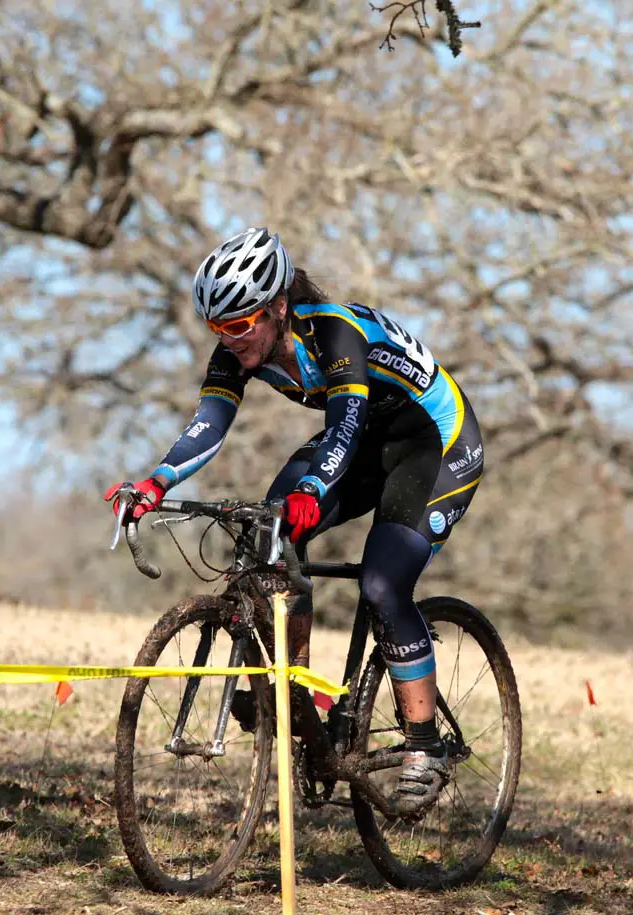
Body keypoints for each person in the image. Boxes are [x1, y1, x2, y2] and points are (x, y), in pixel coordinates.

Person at [105, 227, 484, 814]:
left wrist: (312, 489)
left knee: (383, 583)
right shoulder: (238, 347)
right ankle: (296, 691)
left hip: (435, 445)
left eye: (238, 325)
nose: (228, 340)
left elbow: (346, 422)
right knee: (269, 536)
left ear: (279, 308)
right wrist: (156, 482)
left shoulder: (335, 333)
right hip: (361, 444)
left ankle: (424, 745)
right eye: (217, 329)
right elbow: (209, 422)